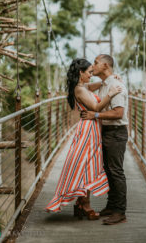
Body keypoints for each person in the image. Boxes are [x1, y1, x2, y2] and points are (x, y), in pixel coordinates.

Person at [45, 58, 122, 220]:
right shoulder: (79, 90)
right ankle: (84, 204)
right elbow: (95, 108)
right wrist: (111, 93)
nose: (91, 75)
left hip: (93, 128)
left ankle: (81, 204)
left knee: (87, 165)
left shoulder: (83, 87)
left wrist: (111, 80)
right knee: (83, 164)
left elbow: (97, 85)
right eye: (89, 72)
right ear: (81, 73)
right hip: (88, 129)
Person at [81, 54, 128, 225]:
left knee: (116, 171)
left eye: (95, 63)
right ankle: (111, 205)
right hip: (106, 131)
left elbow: (118, 113)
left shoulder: (115, 85)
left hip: (116, 132)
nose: (93, 66)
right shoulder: (106, 84)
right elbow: (81, 87)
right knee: (108, 171)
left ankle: (120, 212)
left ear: (106, 65)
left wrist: (96, 115)